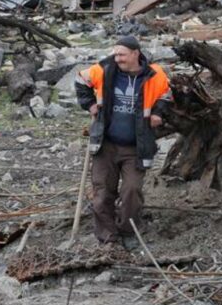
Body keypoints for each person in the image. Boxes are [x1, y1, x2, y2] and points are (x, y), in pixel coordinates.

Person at [74, 34, 172, 248]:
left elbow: (166, 94)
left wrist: (158, 113)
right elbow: (80, 80)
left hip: (136, 146)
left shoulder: (154, 74)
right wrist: (89, 104)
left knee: (131, 191)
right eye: (115, 53)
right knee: (102, 193)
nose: (117, 58)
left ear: (136, 53)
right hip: (106, 144)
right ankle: (108, 237)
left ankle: (128, 232)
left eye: (122, 54)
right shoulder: (104, 69)